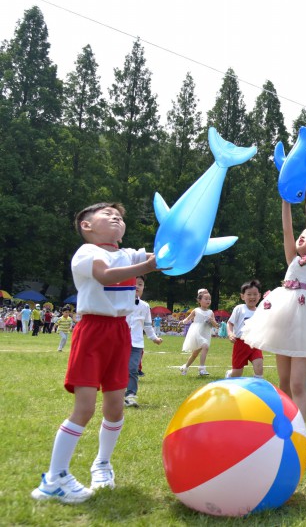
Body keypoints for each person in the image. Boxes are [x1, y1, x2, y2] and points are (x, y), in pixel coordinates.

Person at [31, 202, 160, 503]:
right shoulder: (87, 253)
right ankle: (54, 478)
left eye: (119, 217)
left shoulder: (128, 254)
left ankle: (102, 464)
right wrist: (146, 267)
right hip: (92, 332)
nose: (116, 218)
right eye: (108, 215)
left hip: (120, 333)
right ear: (86, 226)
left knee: (115, 407)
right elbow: (105, 276)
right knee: (85, 408)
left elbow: (163, 258)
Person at [243, 186, 306, 417]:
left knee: (297, 383)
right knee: (283, 381)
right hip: (283, 319)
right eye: (302, 233)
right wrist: (286, 199)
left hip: (305, 323)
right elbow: (286, 229)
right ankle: (283, 424)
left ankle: (298, 430)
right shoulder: (294, 259)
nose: (304, 234)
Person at [124, 276, 162, 407]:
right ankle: (116, 394)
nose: (137, 286)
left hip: (137, 343)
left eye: (140, 284)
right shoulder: (120, 302)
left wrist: (154, 338)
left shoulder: (145, 306)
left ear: (143, 288)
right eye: (133, 283)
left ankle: (130, 395)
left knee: (133, 369)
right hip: (120, 342)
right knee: (118, 370)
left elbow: (147, 325)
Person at [225, 279, 263, 379]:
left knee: (259, 367)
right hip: (240, 343)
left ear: (259, 296)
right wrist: (230, 333)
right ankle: (230, 374)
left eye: (255, 294)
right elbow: (229, 323)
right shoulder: (239, 309)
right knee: (237, 374)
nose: (252, 297)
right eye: (249, 294)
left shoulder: (261, 311)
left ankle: (257, 387)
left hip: (255, 343)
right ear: (242, 296)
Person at [179, 289, 218, 376]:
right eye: (206, 299)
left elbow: (215, 325)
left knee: (195, 354)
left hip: (205, 333)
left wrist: (212, 321)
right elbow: (187, 319)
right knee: (205, 346)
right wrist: (182, 322)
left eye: (209, 299)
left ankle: (184, 367)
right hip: (196, 332)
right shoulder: (196, 310)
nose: (208, 301)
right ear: (199, 300)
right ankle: (202, 368)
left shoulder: (211, 312)